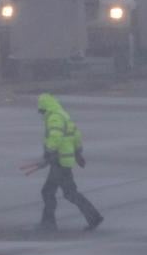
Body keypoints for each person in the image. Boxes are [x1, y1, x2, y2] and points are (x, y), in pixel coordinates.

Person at [35, 92, 103, 232]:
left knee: (49, 192)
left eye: (41, 110)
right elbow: (76, 135)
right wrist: (78, 153)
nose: (41, 114)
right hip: (64, 160)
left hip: (58, 160)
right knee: (68, 192)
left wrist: (48, 153)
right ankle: (93, 216)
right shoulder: (64, 115)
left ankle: (48, 224)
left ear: (45, 107)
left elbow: (55, 137)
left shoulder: (54, 118)